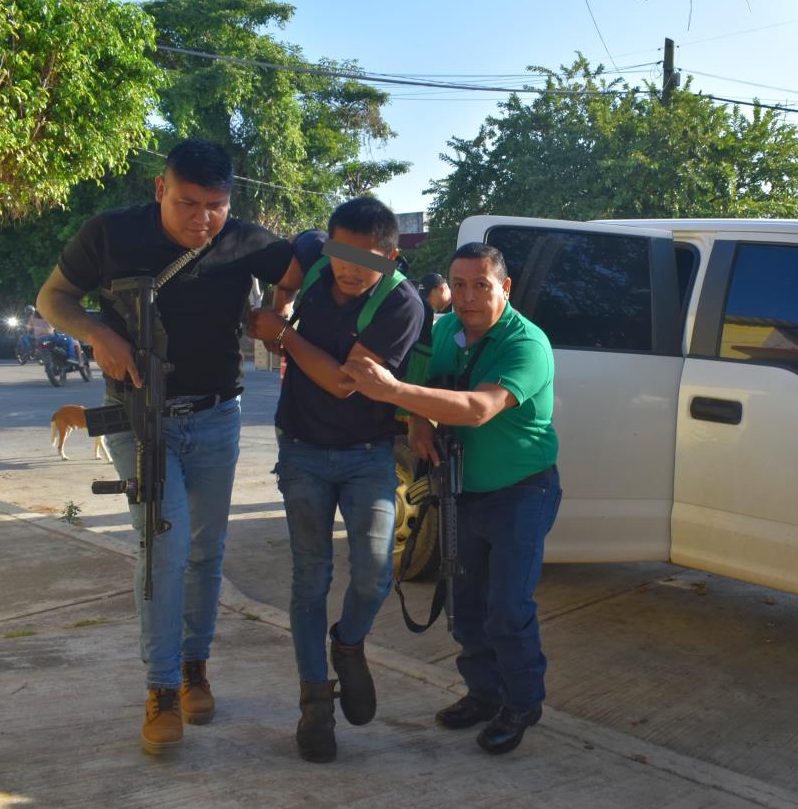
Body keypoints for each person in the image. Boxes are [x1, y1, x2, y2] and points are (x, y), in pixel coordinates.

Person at [36, 138, 299, 755]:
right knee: (163, 545)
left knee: (207, 551)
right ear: (160, 188)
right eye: (188, 202)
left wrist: (278, 310)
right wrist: (98, 333)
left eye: (216, 205)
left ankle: (193, 668)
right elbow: (53, 298)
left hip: (215, 418)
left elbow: (302, 268)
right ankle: (158, 689)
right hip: (136, 417)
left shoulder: (245, 240)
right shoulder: (110, 233)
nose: (202, 218)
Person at [342, 242, 561, 756]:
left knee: (507, 608)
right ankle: (484, 694)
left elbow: (477, 407)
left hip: (521, 492)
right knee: (466, 608)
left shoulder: (526, 343)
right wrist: (416, 416)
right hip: (461, 490)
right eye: (458, 285)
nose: (465, 297)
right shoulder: (443, 332)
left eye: (480, 285)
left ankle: (523, 702)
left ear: (504, 288)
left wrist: (394, 393)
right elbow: (425, 383)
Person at [246, 197, 423, 764]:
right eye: (339, 252)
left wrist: (284, 337)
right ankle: (315, 704)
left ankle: (347, 643)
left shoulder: (402, 304)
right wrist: (282, 307)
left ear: (391, 256)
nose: (347, 268)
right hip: (300, 449)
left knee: (375, 571)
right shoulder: (314, 254)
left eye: (363, 259)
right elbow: (288, 277)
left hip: (368, 454)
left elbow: (345, 383)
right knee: (310, 579)